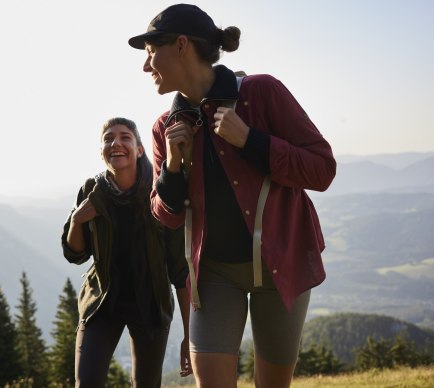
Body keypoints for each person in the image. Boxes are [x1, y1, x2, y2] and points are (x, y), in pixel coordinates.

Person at [127, 4, 336, 388]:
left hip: (283, 266)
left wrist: (251, 140)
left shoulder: (262, 93)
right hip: (214, 276)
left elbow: (323, 169)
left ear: (181, 45)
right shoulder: (166, 128)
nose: (145, 66)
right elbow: (165, 216)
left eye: (150, 51)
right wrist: (173, 168)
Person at [61, 117, 192, 387]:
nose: (115, 143)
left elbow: (180, 270)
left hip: (150, 304)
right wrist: (76, 220)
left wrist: (190, 333)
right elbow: (75, 254)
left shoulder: (160, 192)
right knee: (86, 383)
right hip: (103, 302)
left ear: (139, 149)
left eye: (124, 137)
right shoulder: (91, 190)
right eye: (108, 138)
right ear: (101, 151)